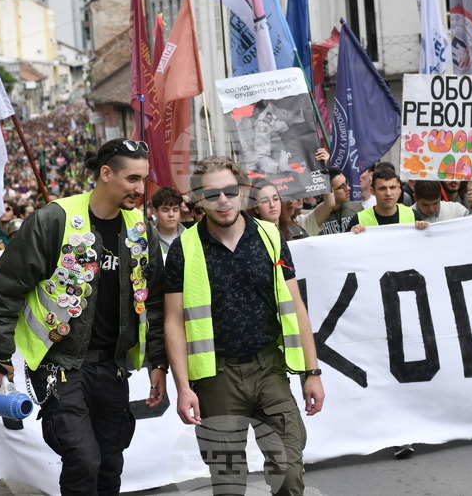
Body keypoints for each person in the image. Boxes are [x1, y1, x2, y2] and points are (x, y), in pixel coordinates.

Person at [0, 139, 167, 496]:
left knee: (111, 463)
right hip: (60, 366)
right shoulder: (53, 219)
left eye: (144, 179)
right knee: (83, 459)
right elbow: (5, 289)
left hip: (112, 367)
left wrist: (158, 360)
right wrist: (0, 353)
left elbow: (153, 302)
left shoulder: (141, 229)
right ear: (105, 174)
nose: (140, 189)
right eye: (131, 179)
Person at [164, 156, 324, 495]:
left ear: (243, 192)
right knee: (229, 484)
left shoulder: (270, 237)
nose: (223, 199)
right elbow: (174, 322)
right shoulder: (184, 249)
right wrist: (183, 387)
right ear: (198, 199)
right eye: (212, 194)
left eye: (230, 191)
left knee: (289, 475)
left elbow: (296, 306)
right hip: (215, 377)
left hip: (270, 369)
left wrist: (313, 372)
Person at [349, 163, 428, 232]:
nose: (388, 193)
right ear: (372, 191)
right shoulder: (359, 220)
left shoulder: (413, 215)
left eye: (392, 188)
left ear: (399, 189)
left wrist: (427, 230)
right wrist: (351, 235)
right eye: (382, 188)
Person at [320, 167, 362, 234]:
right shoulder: (317, 216)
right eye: (342, 187)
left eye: (346, 183)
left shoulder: (357, 209)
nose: (348, 188)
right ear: (328, 192)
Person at [151, 186, 186, 263]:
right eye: (165, 210)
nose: (171, 214)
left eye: (175, 210)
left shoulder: (191, 237)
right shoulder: (147, 238)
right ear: (155, 211)